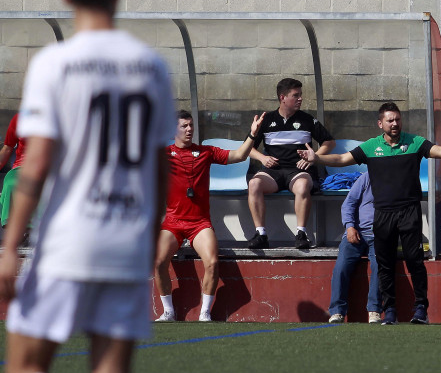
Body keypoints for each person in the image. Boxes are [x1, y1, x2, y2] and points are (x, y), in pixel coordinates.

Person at [0, 0, 175, 373]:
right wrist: (148, 237)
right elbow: (158, 166)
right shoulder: (151, 67)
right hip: (127, 237)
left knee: (24, 367)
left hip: (69, 238)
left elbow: (34, 164)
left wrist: (9, 246)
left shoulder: (55, 64)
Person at [299, 102, 441, 325]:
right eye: (390, 120)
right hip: (382, 215)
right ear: (380, 123)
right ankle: (389, 311)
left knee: (415, 262)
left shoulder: (415, 142)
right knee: (384, 264)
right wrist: (317, 158)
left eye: (397, 119)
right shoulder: (371, 147)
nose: (395, 124)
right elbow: (343, 159)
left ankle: (421, 309)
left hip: (409, 211)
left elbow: (440, 151)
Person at [155, 109, 265, 322]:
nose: (189, 130)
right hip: (173, 222)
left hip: (199, 223)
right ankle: (168, 311)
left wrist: (252, 134)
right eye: (184, 126)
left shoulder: (206, 151)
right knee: (159, 261)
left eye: (191, 125)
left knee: (213, 262)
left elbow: (240, 155)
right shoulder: (163, 154)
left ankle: (205, 312)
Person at [246, 77, 335, 250]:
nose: (300, 99)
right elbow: (248, 147)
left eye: (300, 95)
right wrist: (263, 158)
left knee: (302, 186)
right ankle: (261, 234)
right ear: (282, 98)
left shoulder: (308, 120)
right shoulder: (266, 120)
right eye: (296, 95)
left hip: (298, 171)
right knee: (254, 184)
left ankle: (301, 234)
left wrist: (314, 156)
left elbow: (329, 142)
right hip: (273, 172)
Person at [328, 172, 381, 324]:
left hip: (380, 235)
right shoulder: (366, 177)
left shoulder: (398, 179)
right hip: (357, 232)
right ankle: (337, 312)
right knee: (341, 267)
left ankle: (374, 310)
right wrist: (350, 227)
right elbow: (349, 203)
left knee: (380, 266)